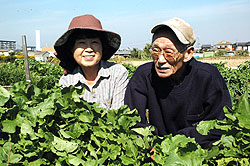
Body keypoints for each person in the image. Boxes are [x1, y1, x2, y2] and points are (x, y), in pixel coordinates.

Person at [124, 17, 232, 148]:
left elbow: (220, 125)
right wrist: (153, 144)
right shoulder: (143, 75)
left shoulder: (208, 77)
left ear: (188, 54)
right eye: (156, 51)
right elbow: (133, 120)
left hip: (196, 150)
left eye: (169, 52)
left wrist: (175, 143)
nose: (161, 59)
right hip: (156, 150)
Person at [54, 14, 128, 110]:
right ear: (72, 49)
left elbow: (118, 115)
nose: (89, 49)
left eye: (94, 42)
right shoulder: (67, 81)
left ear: (102, 47)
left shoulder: (117, 73)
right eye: (82, 43)